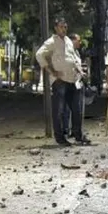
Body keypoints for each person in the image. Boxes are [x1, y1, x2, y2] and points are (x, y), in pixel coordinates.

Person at [36, 17, 90, 146]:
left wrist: (80, 71)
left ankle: (78, 135)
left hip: (72, 80)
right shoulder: (51, 42)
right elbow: (39, 55)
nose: (64, 29)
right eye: (61, 26)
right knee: (59, 110)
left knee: (76, 109)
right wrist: (51, 71)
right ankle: (60, 138)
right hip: (59, 80)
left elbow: (72, 58)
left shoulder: (68, 41)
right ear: (56, 28)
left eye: (65, 27)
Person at [63, 33, 84, 138]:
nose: (80, 43)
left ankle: (75, 132)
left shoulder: (76, 52)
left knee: (76, 110)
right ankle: (68, 132)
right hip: (68, 83)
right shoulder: (66, 51)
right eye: (78, 40)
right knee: (70, 110)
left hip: (76, 83)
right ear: (72, 41)